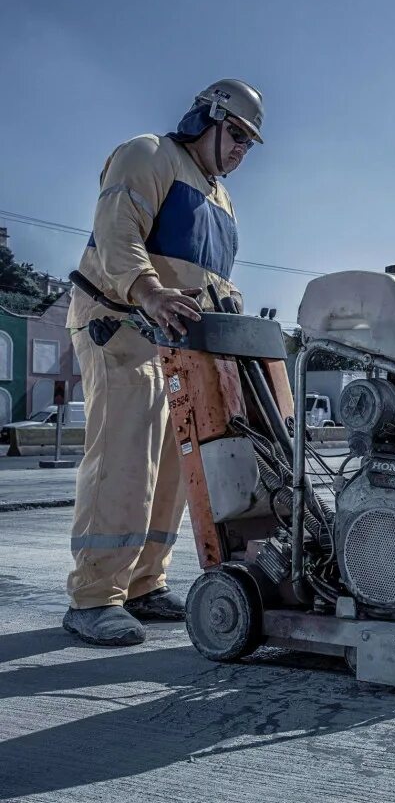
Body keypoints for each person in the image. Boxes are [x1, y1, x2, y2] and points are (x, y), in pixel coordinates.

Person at [63, 80, 264, 645]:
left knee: (179, 469)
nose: (240, 152)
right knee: (126, 456)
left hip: (178, 344)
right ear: (208, 117)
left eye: (249, 144)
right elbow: (117, 234)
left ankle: (144, 585)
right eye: (236, 136)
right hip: (120, 324)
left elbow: (215, 283)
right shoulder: (149, 155)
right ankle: (94, 596)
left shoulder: (219, 198)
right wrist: (149, 292)